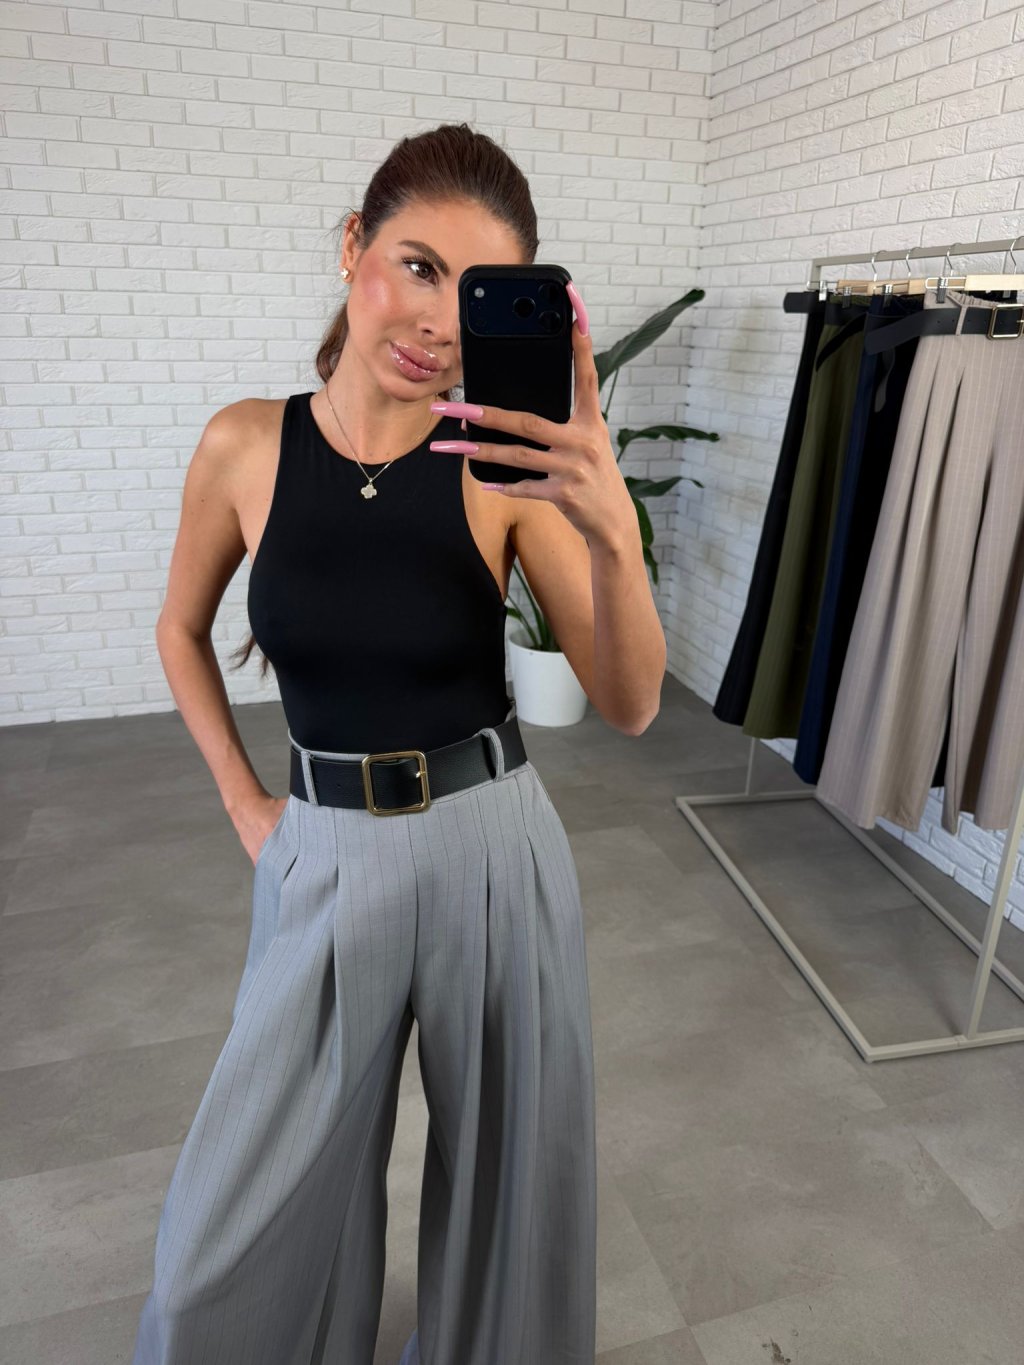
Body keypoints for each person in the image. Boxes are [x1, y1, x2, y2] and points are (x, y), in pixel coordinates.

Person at [133, 121, 665, 1365]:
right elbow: (178, 628)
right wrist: (247, 806)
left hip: (494, 853)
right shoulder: (244, 445)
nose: (435, 323)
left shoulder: (499, 471)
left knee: (509, 1193)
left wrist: (610, 531)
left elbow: (633, 704)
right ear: (352, 247)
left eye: (472, 297)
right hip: (321, 852)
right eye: (417, 266)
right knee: (229, 1230)